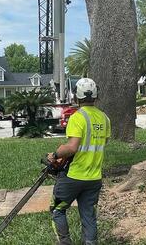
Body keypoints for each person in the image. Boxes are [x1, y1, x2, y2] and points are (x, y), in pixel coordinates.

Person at [47, 78, 111, 245]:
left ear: (77, 96)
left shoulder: (78, 117)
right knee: (88, 214)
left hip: (73, 177)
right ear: (96, 95)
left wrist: (55, 154)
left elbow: (72, 147)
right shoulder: (105, 118)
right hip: (94, 178)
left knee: (58, 210)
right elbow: (101, 143)